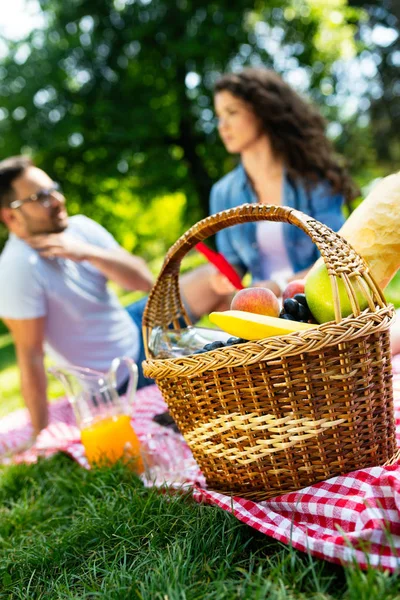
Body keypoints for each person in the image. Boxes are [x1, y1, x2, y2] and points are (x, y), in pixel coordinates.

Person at [0, 156, 231, 438]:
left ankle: (252, 355)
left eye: (54, 189)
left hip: (135, 324)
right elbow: (30, 356)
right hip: (120, 373)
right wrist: (41, 434)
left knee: (215, 281)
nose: (58, 200)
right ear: (11, 216)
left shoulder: (78, 228)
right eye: (41, 197)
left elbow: (146, 280)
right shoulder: (16, 269)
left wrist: (86, 251)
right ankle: (228, 367)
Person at [210, 68, 359, 296]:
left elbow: (337, 258)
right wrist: (226, 275)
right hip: (261, 309)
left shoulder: (312, 179)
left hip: (319, 302)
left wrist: (280, 286)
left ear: (260, 111)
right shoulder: (222, 193)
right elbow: (233, 261)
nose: (223, 125)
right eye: (219, 116)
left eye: (232, 112)